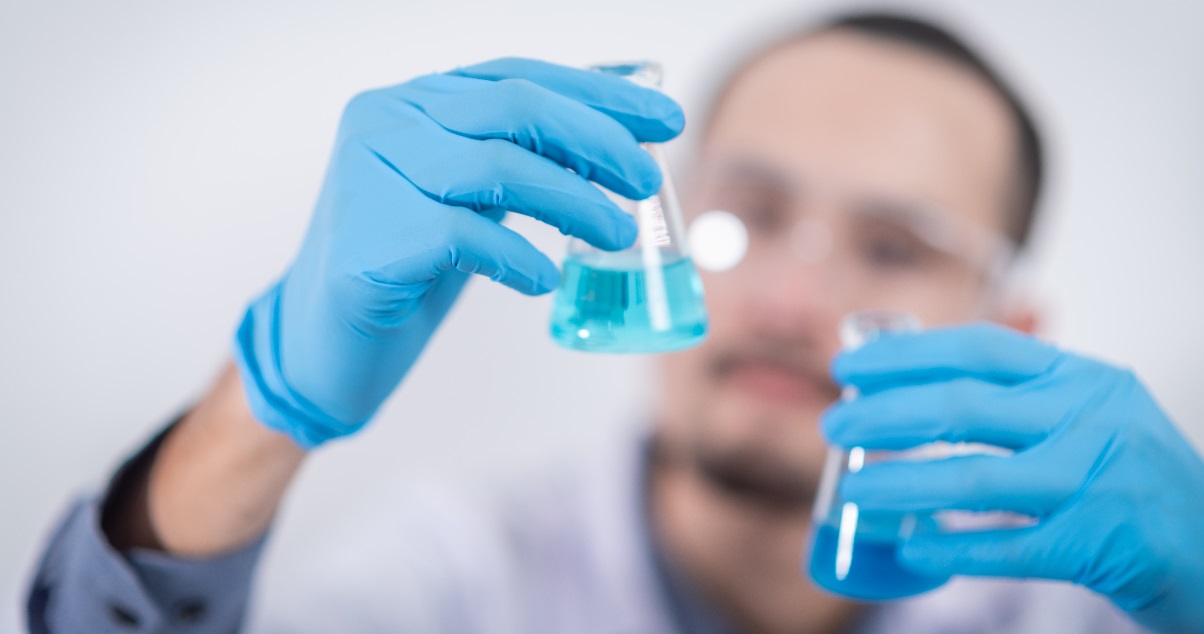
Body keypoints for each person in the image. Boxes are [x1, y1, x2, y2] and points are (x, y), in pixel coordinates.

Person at [26, 10, 1204, 634]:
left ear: (1013, 321)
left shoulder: (1090, 612)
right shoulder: (459, 581)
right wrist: (263, 400)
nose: (788, 301)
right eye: (746, 213)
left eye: (891, 247)